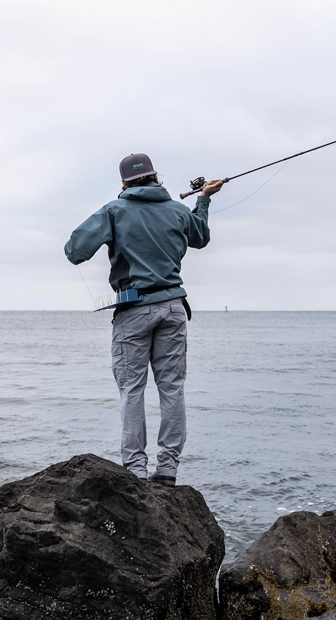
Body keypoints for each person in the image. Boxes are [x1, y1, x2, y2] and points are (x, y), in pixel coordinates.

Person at [64, 153, 223, 485]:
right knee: (173, 388)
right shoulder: (179, 210)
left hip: (133, 310)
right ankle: (167, 470)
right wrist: (203, 201)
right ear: (155, 177)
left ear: (124, 183)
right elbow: (201, 238)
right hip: (174, 307)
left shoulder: (114, 210)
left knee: (132, 390)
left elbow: (74, 251)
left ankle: (135, 471)